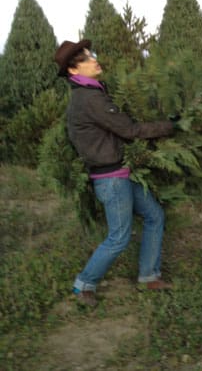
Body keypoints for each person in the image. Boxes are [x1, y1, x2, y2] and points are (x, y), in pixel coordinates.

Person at [55, 39, 176, 307]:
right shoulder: (89, 98)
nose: (94, 59)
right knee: (119, 237)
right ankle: (84, 284)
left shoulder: (90, 93)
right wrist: (170, 126)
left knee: (154, 215)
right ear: (74, 71)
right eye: (86, 58)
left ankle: (148, 276)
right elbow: (130, 130)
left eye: (92, 54)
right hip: (111, 179)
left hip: (117, 174)